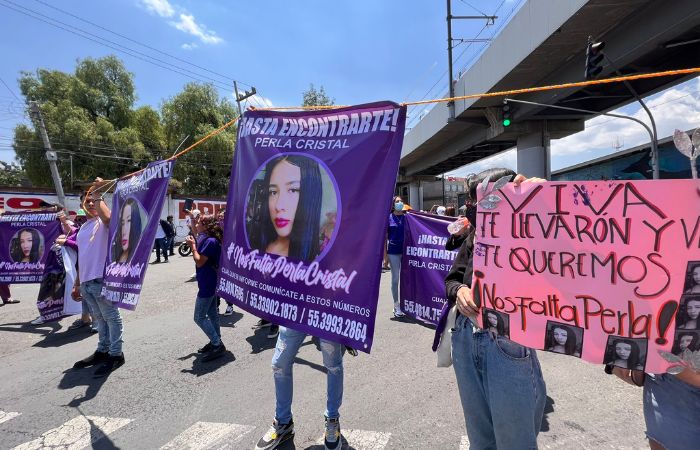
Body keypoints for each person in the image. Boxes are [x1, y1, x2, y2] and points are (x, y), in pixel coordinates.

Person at [443, 168, 547, 449]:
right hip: (466, 338)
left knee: (515, 441)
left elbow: (567, 251)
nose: (474, 207)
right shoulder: (473, 238)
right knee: (481, 440)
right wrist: (460, 290)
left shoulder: (530, 232)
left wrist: (545, 199)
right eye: (472, 199)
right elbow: (452, 278)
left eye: (485, 199)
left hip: (506, 341)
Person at [254, 329, 345, 450]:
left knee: (333, 366)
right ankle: (283, 422)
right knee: (279, 365)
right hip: (296, 314)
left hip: (327, 313)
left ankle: (332, 419)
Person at [72, 182, 125, 378]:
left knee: (111, 317)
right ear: (82, 205)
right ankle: (102, 350)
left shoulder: (103, 223)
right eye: (87, 200)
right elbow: (82, 257)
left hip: (102, 279)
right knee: (100, 319)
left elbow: (109, 218)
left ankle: (116, 354)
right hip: (87, 282)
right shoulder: (83, 228)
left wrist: (96, 192)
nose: (91, 203)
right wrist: (77, 283)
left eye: (93, 200)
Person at [251, 155, 323, 262]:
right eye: (273, 192)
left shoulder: (318, 263)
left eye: (293, 190)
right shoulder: (254, 244)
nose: (278, 206)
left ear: (310, 196)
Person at [186, 214, 226, 361]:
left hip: (208, 283)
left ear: (206, 226)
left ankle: (217, 344)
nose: (197, 224)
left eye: (200, 222)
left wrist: (193, 247)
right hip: (211, 281)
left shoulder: (210, 241)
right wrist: (192, 219)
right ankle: (216, 341)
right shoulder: (208, 238)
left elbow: (200, 262)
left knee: (199, 317)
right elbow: (196, 233)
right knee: (212, 314)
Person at [387, 195, 406, 318]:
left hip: (406, 252)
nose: (400, 203)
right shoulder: (388, 218)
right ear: (393, 204)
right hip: (393, 252)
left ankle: (407, 304)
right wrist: (384, 258)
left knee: (407, 279)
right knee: (395, 279)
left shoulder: (407, 217)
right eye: (397, 201)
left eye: (401, 201)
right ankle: (396, 305)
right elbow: (384, 238)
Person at [111, 199, 142, 263]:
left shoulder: (138, 256)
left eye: (129, 221)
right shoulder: (115, 254)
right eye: (122, 223)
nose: (124, 231)